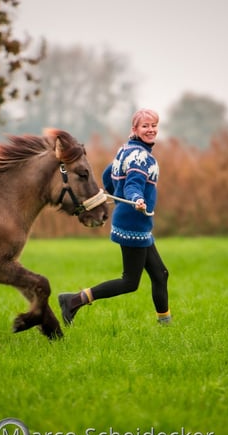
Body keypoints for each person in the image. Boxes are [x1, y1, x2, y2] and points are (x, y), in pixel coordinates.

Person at [58, 108, 171, 326]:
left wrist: (114, 193)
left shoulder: (127, 149)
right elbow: (133, 184)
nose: (151, 130)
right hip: (133, 224)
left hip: (134, 222)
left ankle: (165, 325)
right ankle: (73, 300)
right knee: (130, 282)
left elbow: (107, 175)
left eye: (154, 125)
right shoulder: (141, 157)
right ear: (135, 129)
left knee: (160, 274)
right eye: (145, 126)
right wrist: (135, 198)